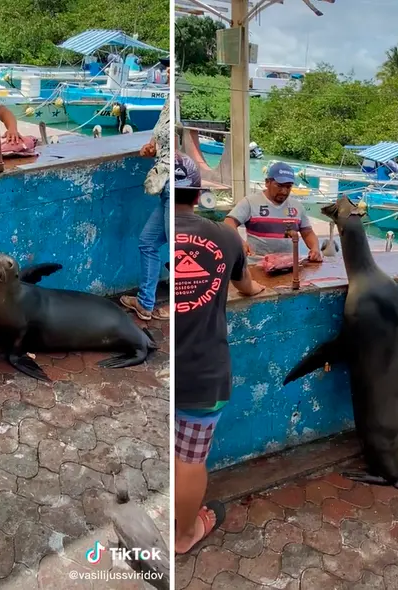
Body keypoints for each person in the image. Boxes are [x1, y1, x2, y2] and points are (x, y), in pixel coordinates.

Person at [173, 152, 265, 555]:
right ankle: (183, 535)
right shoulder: (227, 238)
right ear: (198, 193)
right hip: (203, 371)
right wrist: (258, 288)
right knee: (189, 458)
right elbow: (247, 286)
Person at [119, 58, 172, 321]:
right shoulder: (167, 104)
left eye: (172, 66)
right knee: (148, 242)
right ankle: (146, 303)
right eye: (167, 67)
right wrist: (151, 148)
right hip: (164, 185)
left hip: (176, 184)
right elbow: (159, 139)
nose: (168, 71)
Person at [223, 162, 323, 262]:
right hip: (256, 263)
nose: (284, 191)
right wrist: (239, 241)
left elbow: (307, 232)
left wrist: (315, 248)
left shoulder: (297, 207)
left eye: (288, 187)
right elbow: (229, 222)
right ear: (267, 182)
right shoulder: (250, 202)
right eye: (279, 186)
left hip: (287, 264)